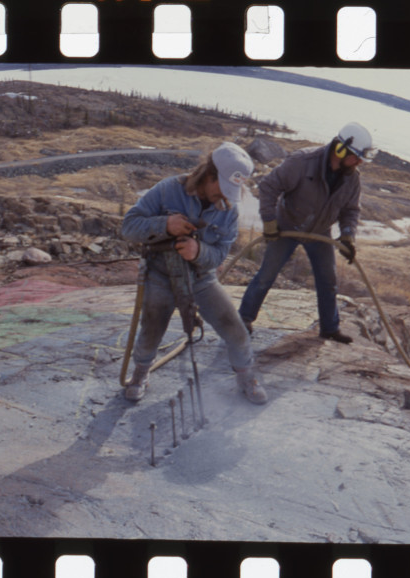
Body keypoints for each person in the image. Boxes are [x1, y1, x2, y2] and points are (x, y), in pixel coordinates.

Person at [120, 142, 267, 405]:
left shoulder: (228, 210)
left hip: (201, 279)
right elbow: (129, 227)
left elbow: (220, 254)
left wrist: (198, 252)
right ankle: (140, 373)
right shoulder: (168, 190)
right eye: (222, 188)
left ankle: (246, 376)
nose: (225, 198)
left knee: (234, 328)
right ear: (209, 175)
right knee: (152, 326)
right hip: (160, 274)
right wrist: (165, 224)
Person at [237, 122, 377, 344]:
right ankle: (243, 319)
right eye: (356, 157)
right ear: (341, 150)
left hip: (320, 232)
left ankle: (329, 328)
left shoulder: (352, 178)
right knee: (266, 275)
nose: (359, 163)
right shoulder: (302, 162)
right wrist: (270, 221)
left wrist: (348, 235)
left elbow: (351, 210)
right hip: (286, 226)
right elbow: (268, 186)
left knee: (328, 280)